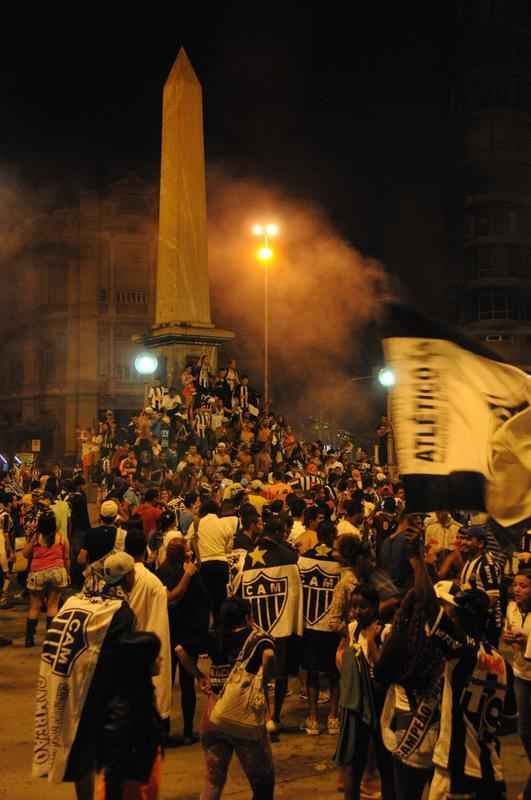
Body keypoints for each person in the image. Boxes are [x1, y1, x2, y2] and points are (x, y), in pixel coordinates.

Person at [407, 526, 516, 800]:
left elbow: (429, 608)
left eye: (453, 611)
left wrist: (417, 560)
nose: (449, 614)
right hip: (491, 768)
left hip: (458, 769)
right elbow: (506, 719)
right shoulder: (502, 663)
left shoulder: (460, 651)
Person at [32, 551, 136, 800]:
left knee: (82, 757)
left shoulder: (76, 602)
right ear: (128, 576)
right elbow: (124, 660)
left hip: (70, 688)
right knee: (112, 759)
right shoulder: (120, 612)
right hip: (102, 695)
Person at [176, 596, 276, 800]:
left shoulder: (214, 636)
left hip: (214, 716)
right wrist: (264, 681)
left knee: (213, 780)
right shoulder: (257, 638)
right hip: (242, 719)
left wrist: (199, 676)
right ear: (248, 617)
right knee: (263, 782)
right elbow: (269, 656)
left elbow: (180, 650)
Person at [239, 517, 304, 737]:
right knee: (281, 673)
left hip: (257, 627)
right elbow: (295, 593)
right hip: (282, 624)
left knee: (261, 674)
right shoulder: (287, 556)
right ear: (278, 533)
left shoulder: (248, 557)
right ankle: (275, 717)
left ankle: (264, 716)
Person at [334, 585, 396, 800]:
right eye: (354, 607)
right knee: (354, 761)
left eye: (363, 607)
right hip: (358, 702)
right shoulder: (352, 629)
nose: (357, 612)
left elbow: (383, 670)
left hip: (380, 701)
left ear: (376, 606)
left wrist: (371, 641)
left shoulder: (386, 631)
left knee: (385, 760)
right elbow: (342, 654)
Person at [96, 631, 164, 799]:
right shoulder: (125, 712)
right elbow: (113, 772)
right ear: (142, 663)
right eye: (156, 656)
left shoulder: (140, 695)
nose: (160, 660)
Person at [157, 538, 210, 744]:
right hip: (188, 633)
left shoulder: (160, 572)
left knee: (166, 684)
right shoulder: (190, 574)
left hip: (168, 631)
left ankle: (164, 729)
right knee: (188, 683)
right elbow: (202, 600)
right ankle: (188, 731)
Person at [124, 529, 173, 733]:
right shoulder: (152, 582)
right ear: (145, 550)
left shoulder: (115, 577)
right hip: (146, 647)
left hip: (124, 647)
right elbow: (160, 624)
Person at [298, 520, 341, 735]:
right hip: (333, 624)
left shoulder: (304, 559)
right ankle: (333, 717)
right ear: (333, 536)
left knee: (312, 672)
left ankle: (313, 717)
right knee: (335, 673)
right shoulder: (340, 561)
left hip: (310, 623)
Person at [23, 510, 70, 645]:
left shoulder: (36, 537)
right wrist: (67, 573)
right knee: (53, 605)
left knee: (35, 605)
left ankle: (29, 639)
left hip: (37, 573)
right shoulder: (61, 537)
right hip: (57, 572)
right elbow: (66, 558)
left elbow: (26, 554)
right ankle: (51, 638)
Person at [504, 569, 531, 799]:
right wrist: (509, 638)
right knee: (524, 732)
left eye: (524, 586)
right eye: (515, 585)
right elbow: (507, 631)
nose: (517, 590)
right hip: (521, 675)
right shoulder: (511, 608)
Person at [459, 525, 503, 646]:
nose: (463, 542)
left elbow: (492, 599)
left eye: (468, 539)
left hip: (487, 624)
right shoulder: (470, 560)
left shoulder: (487, 565)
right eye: (463, 538)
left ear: (480, 543)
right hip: (473, 621)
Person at [196, 499, 233, 625]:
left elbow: (190, 538)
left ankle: (208, 626)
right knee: (221, 597)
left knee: (206, 597)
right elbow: (229, 539)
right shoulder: (222, 523)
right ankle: (221, 625)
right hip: (222, 562)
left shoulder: (198, 523)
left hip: (205, 563)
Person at [78, 500, 126, 567]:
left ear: (100, 515)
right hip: (115, 575)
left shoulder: (91, 533)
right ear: (115, 517)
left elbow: (81, 560)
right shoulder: (123, 534)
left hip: (96, 575)